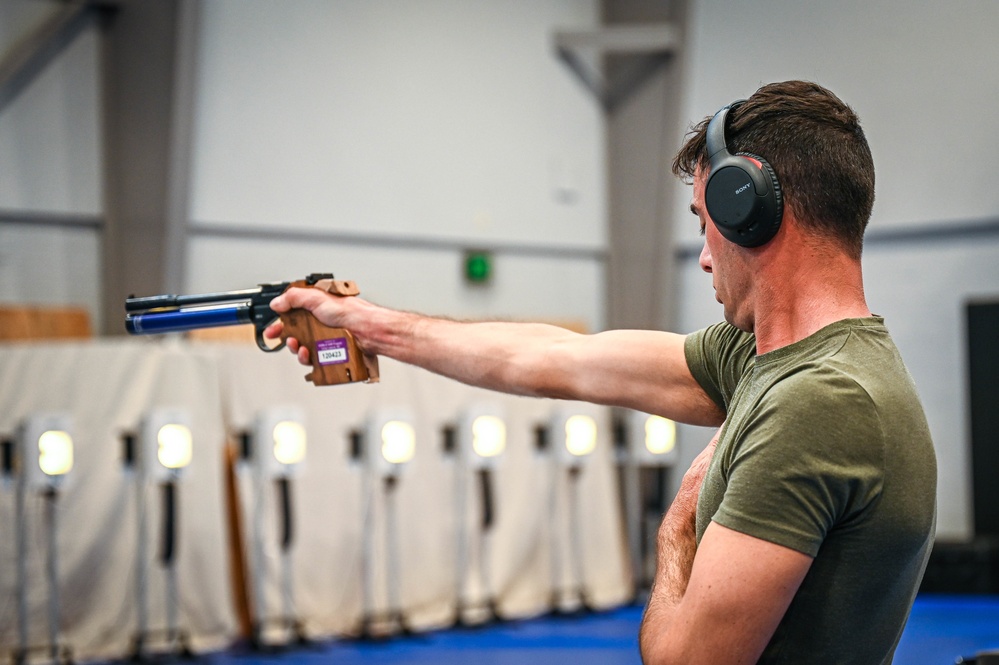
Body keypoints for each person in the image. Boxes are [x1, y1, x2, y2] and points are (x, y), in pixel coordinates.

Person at [265, 80, 937, 664]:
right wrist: (375, 327)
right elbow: (556, 359)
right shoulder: (776, 360)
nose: (704, 257)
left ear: (748, 208)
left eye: (705, 222)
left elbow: (683, 660)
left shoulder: (816, 402)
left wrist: (677, 524)